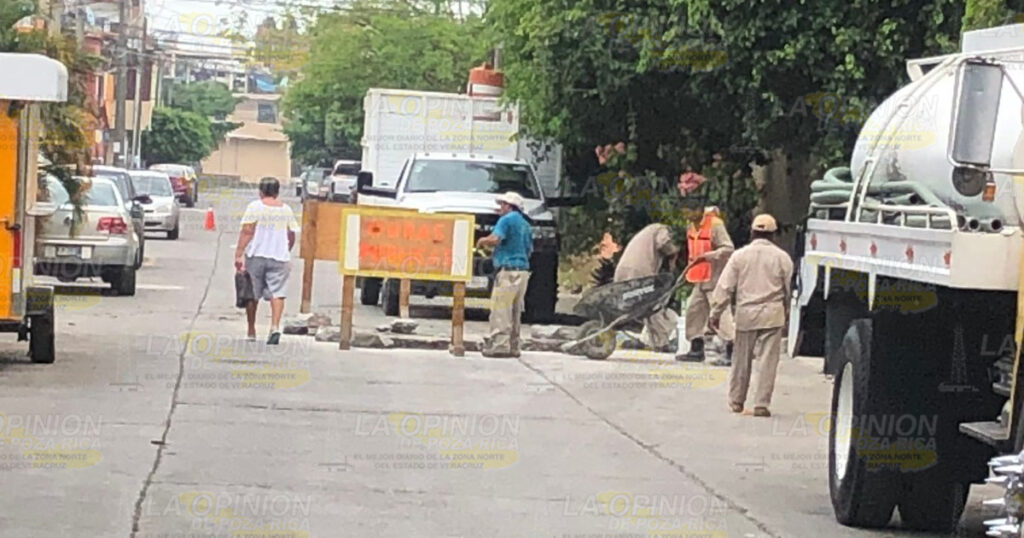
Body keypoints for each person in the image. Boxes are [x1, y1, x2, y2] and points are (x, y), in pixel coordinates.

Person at [709, 214, 794, 417]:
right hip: (773, 314)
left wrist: (715, 313)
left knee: (741, 359)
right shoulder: (783, 258)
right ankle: (761, 404)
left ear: (752, 232)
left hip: (746, 314)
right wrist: (787, 313)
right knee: (767, 362)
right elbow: (790, 290)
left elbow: (724, 287)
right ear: (773, 235)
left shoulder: (739, 256)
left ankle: (736, 400)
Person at [234, 177, 299, 345]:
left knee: (252, 294)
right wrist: (286, 249)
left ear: (260, 192)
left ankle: (251, 330)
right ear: (277, 192)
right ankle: (275, 327)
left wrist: (239, 253)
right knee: (278, 293)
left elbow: (247, 231)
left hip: (256, 255)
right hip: (280, 257)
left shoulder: (255, 207)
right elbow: (291, 234)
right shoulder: (286, 210)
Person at [476, 192, 533, 358]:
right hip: (523, 272)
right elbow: (529, 249)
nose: (500, 208)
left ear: (510, 206)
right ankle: (514, 346)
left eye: (502, 204)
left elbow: (496, 239)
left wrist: (481, 241)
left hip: (508, 271)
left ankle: (500, 345)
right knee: (515, 311)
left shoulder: (506, 220)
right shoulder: (525, 224)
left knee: (501, 309)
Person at [677, 206, 735, 365]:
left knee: (721, 314)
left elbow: (728, 248)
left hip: (715, 278)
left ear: (698, 210)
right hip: (700, 278)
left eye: (689, 210)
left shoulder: (715, 225)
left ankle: (732, 348)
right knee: (693, 311)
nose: (686, 214)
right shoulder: (691, 226)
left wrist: (708, 256)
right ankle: (696, 348)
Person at [613, 223, 681, 352]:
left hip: (623, 271)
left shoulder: (647, 232)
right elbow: (663, 243)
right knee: (652, 305)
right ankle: (662, 342)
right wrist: (674, 251)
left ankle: (650, 339)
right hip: (640, 272)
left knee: (642, 306)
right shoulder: (662, 229)